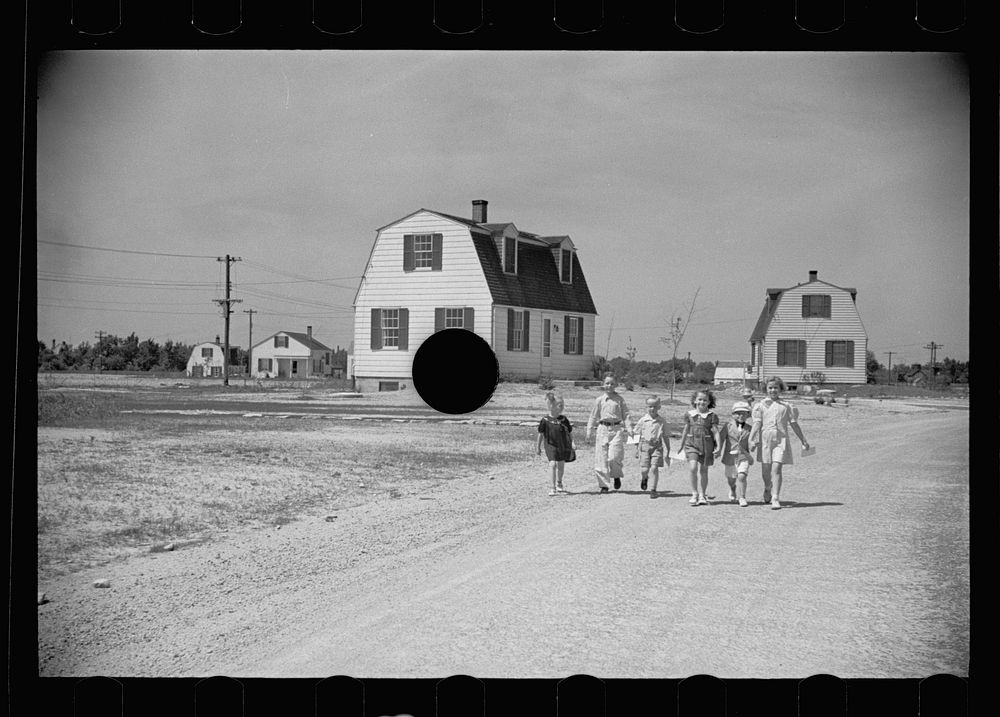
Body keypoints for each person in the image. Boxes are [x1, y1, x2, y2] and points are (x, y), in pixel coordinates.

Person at [749, 377, 810, 510]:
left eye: (776, 387)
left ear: (780, 389)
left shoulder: (787, 406)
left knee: (777, 467)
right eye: (770, 387)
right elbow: (757, 423)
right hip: (765, 440)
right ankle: (767, 487)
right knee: (766, 469)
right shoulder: (760, 406)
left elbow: (794, 424)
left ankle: (775, 497)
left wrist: (803, 440)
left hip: (780, 440)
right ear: (765, 389)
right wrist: (751, 438)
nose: (773, 390)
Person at [585, 374, 632, 492]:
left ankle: (616, 475)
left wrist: (629, 428)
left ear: (616, 385)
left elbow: (626, 415)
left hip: (616, 430)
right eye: (607, 383)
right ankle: (604, 485)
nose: (609, 386)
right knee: (601, 458)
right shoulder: (599, 400)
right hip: (602, 429)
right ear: (603, 384)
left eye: (612, 383)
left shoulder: (620, 400)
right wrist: (589, 431)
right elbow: (593, 416)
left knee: (614, 456)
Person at [677, 389, 721, 505]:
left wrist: (719, 447)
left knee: (704, 470)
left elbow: (716, 432)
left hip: (707, 445)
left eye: (705, 400)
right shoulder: (689, 414)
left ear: (709, 402)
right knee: (693, 468)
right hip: (692, 444)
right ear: (695, 401)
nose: (702, 402)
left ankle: (702, 494)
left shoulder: (712, 416)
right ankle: (694, 493)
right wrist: (681, 445)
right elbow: (686, 429)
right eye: (699, 399)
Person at [631, 395, 672, 498]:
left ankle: (653, 489)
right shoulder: (643, 420)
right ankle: (644, 478)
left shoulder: (662, 421)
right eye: (650, 406)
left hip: (657, 446)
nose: (652, 409)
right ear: (646, 407)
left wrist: (668, 449)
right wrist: (636, 449)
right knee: (644, 469)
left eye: (654, 406)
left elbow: (666, 436)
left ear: (659, 407)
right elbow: (636, 435)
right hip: (644, 446)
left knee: (654, 468)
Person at [536, 392, 574, 496]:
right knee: (552, 464)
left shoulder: (564, 419)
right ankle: (552, 487)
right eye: (560, 405)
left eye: (563, 405)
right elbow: (540, 434)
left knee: (561, 464)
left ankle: (559, 483)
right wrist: (538, 447)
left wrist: (573, 443)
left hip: (562, 445)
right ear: (552, 406)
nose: (562, 407)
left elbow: (569, 432)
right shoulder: (545, 420)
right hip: (550, 445)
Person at [718, 400, 754, 507]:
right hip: (730, 457)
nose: (741, 415)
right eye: (738, 413)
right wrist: (718, 450)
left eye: (744, 413)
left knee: (742, 476)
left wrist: (753, 445)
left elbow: (752, 441)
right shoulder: (727, 426)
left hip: (743, 456)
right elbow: (720, 439)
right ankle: (732, 488)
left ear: (748, 415)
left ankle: (742, 497)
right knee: (731, 478)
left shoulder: (750, 429)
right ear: (733, 414)